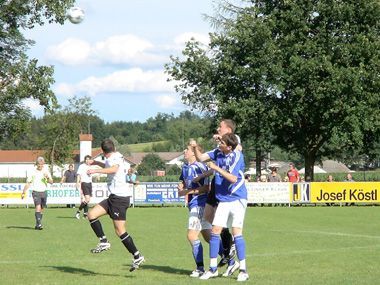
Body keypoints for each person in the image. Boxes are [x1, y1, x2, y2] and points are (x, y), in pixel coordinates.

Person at [192, 133, 249, 282]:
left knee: (237, 233)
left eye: (222, 142)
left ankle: (243, 270)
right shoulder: (218, 152)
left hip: (237, 198)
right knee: (215, 230)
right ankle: (212, 269)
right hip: (223, 199)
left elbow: (233, 178)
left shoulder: (237, 156)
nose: (219, 143)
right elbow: (201, 158)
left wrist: (216, 167)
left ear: (229, 147)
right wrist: (194, 147)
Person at [86, 139, 144, 272]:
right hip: (114, 197)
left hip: (120, 199)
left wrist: (95, 171)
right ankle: (103, 241)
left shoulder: (114, 159)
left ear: (103, 151)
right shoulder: (114, 156)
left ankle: (137, 256)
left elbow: (113, 169)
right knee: (92, 214)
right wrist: (95, 162)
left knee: (120, 231)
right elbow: (108, 164)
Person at [197, 119, 240, 270]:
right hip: (217, 182)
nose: (218, 129)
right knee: (208, 218)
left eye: (220, 127)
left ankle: (228, 251)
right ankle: (227, 251)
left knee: (217, 223)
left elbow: (237, 149)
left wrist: (222, 141)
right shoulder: (219, 146)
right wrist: (203, 175)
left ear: (228, 129)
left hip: (226, 186)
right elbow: (211, 163)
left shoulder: (234, 139)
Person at [178, 143, 211, 277]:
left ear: (193, 153)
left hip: (200, 202)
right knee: (208, 236)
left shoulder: (200, 167)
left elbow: (206, 187)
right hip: (193, 203)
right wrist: (181, 186)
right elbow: (182, 181)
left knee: (191, 235)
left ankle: (200, 268)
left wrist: (187, 191)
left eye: (187, 150)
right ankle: (229, 257)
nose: (184, 151)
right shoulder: (186, 167)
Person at [21, 157, 53, 230]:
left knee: (42, 208)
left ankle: (37, 223)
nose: (40, 165)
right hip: (36, 192)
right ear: (36, 164)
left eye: (42, 164)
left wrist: (47, 177)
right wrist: (23, 192)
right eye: (39, 164)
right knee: (38, 207)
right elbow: (28, 183)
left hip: (44, 192)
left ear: (43, 164)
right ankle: (39, 224)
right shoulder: (33, 172)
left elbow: (51, 182)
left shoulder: (46, 171)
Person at [75, 155, 93, 219]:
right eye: (86, 159)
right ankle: (78, 212)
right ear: (85, 160)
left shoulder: (91, 166)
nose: (87, 160)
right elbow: (78, 175)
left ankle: (85, 214)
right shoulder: (82, 166)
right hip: (84, 183)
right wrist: (77, 182)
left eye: (89, 159)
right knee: (87, 199)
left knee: (87, 200)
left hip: (90, 183)